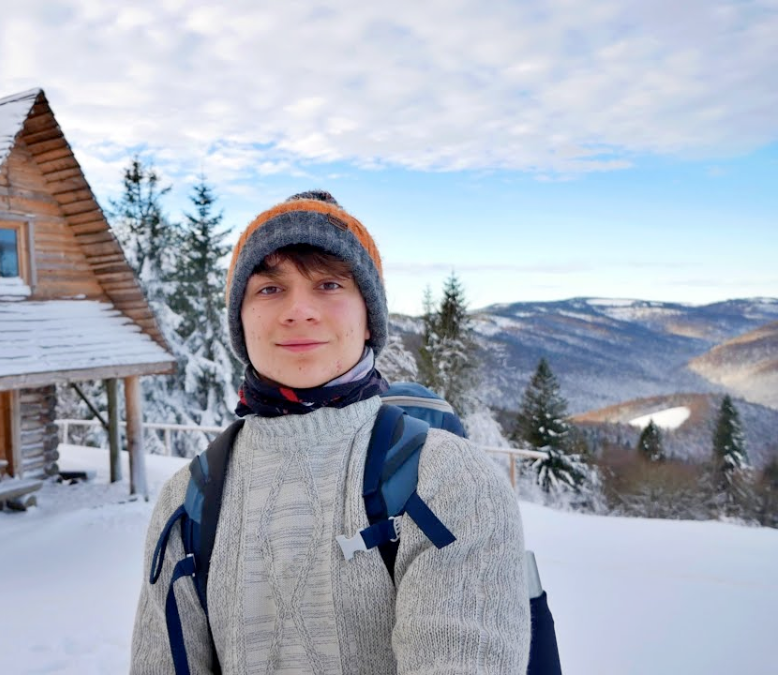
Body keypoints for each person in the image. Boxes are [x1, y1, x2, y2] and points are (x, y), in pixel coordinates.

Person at [130, 191, 530, 674]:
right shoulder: (186, 502)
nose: (299, 311)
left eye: (329, 285)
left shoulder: (448, 481)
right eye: (270, 289)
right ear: (241, 319)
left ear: (369, 318)